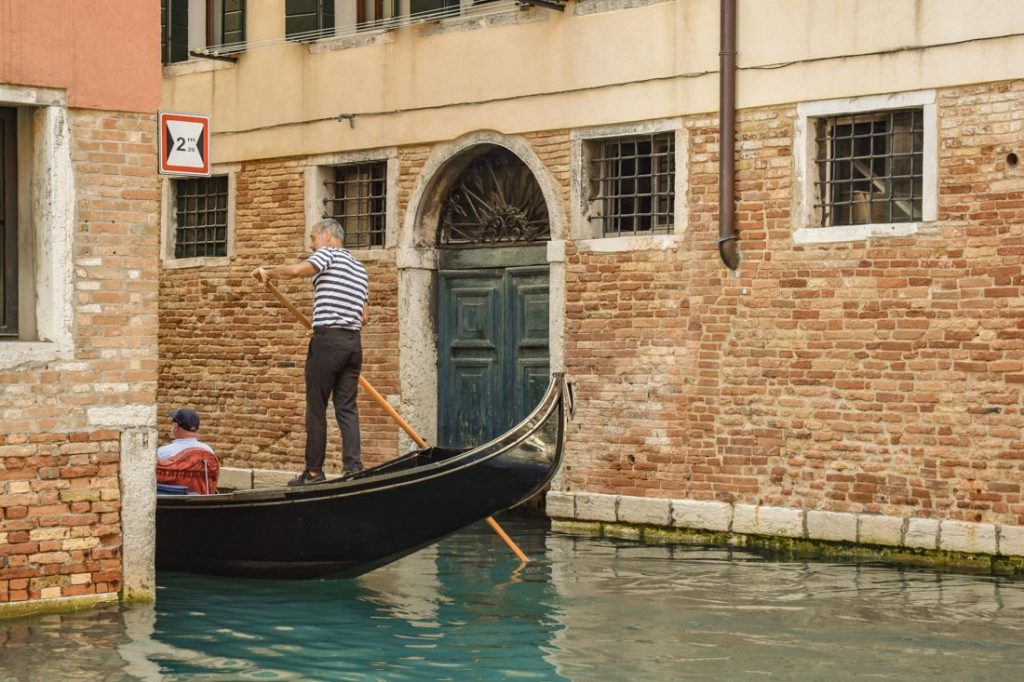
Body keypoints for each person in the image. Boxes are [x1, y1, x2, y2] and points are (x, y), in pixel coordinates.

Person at [251, 218, 369, 486]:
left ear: (327, 236)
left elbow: (296, 271)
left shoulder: (327, 254)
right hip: (352, 344)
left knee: (316, 408)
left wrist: (269, 271)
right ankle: (354, 468)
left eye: (313, 238)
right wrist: (322, 324)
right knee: (347, 408)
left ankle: (314, 473)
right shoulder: (360, 269)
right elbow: (363, 317)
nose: (311, 244)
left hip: (328, 343)